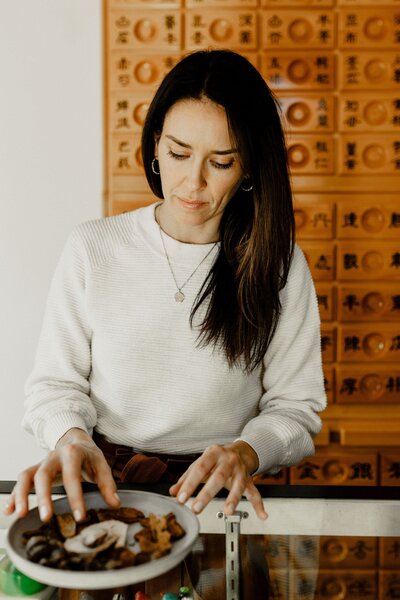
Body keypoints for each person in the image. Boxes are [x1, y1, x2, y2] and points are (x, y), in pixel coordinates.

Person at [4, 49, 326, 595]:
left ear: (250, 166)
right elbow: (54, 385)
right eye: (177, 152)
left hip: (221, 499)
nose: (192, 182)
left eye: (221, 162)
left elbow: (296, 409)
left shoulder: (277, 263)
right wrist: (71, 437)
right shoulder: (94, 247)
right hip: (109, 492)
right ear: (155, 143)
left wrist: (246, 452)